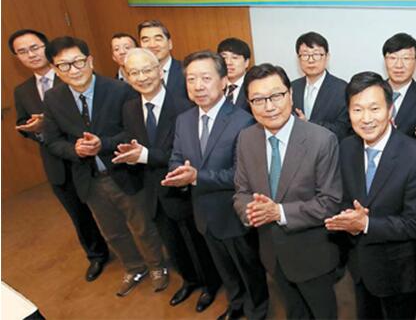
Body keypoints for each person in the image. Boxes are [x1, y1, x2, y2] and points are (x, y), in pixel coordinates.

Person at [42, 36, 167, 297]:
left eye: (78, 62)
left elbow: (134, 131)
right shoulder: (53, 98)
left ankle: (157, 266)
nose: (73, 70)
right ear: (55, 69)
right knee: (112, 232)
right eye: (64, 65)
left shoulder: (119, 90)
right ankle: (134, 267)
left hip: (124, 173)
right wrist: (74, 150)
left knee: (142, 226)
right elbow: (53, 141)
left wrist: (104, 144)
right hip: (89, 178)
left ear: (90, 61)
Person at [113, 48, 220, 312]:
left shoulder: (185, 106)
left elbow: (186, 153)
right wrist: (129, 154)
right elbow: (134, 141)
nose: (142, 77)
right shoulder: (128, 108)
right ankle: (189, 280)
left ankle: (210, 285)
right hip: (151, 191)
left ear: (160, 71)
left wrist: (144, 156)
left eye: (147, 70)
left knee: (197, 243)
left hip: (182, 190)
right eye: (134, 72)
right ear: (127, 77)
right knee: (172, 244)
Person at [163, 51, 268, 320]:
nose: (198, 86)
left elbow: (241, 175)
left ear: (223, 81)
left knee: (248, 268)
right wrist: (177, 173)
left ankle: (257, 310)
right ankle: (235, 304)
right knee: (225, 269)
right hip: (202, 213)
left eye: (206, 78)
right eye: (191, 79)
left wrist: (196, 177)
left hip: (233, 213)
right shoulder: (184, 120)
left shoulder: (243, 120)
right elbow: (176, 157)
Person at [234, 63, 342, 319]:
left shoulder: (321, 140)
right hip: (271, 253)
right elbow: (240, 191)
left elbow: (330, 202)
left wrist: (278, 212)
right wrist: (251, 211)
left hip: (312, 256)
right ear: (249, 104)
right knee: (294, 312)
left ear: (291, 94)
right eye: (258, 100)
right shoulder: (246, 138)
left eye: (276, 96)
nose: (269, 106)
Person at [325, 72, 416, 319]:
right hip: (359, 265)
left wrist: (366, 224)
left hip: (398, 272)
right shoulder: (347, 147)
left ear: (390, 109)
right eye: (357, 110)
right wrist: (346, 219)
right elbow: (343, 198)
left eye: (374, 108)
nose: (366, 118)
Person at [9, 29, 109, 282]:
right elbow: (22, 122)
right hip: (56, 163)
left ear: (47, 46)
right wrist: (37, 130)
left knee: (113, 209)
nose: (31, 55)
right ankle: (96, 255)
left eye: (35, 47)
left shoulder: (75, 74)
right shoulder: (22, 90)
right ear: (17, 57)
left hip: (90, 158)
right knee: (78, 215)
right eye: (22, 52)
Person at [290, 31, 351, 142]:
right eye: (305, 55)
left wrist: (308, 124)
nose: (311, 60)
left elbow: (344, 129)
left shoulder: (342, 89)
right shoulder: (292, 88)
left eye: (316, 54)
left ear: (327, 57)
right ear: (298, 58)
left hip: (330, 149)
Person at [137, 19, 187, 99]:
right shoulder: (136, 76)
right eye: (146, 40)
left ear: (170, 43)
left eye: (158, 39)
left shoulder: (186, 70)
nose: (152, 45)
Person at [217, 37, 252, 111]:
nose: (228, 62)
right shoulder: (215, 87)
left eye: (235, 57)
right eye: (224, 58)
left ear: (246, 62)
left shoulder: (253, 85)